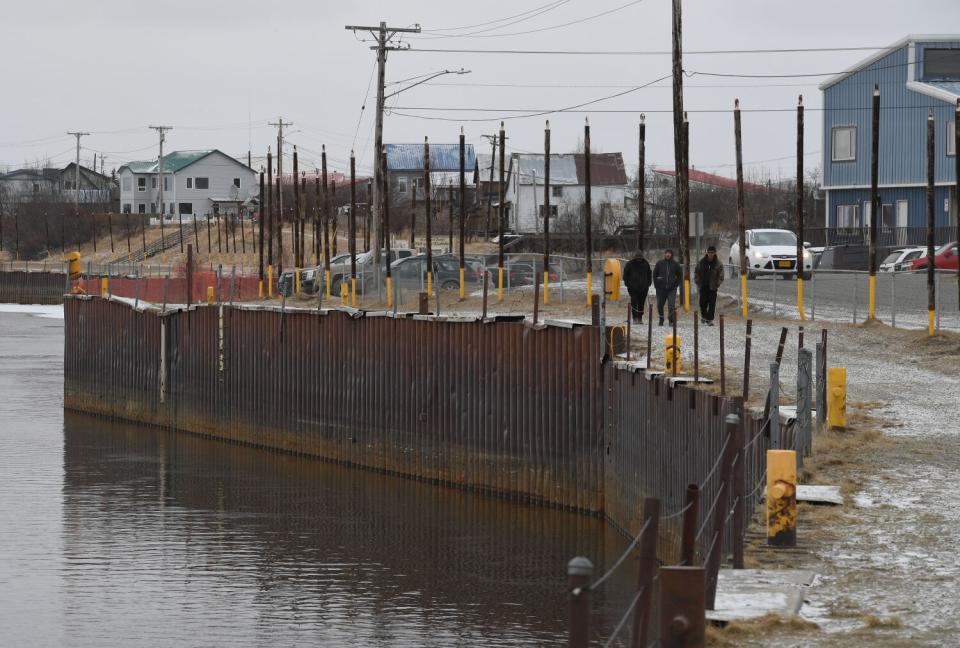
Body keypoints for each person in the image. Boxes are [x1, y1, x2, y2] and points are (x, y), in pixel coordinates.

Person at [694, 245, 724, 326]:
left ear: (715, 253)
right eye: (709, 252)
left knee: (712, 304)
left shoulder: (718, 264)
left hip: (712, 288)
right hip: (703, 286)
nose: (710, 254)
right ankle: (704, 317)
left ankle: (709, 320)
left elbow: (721, 276)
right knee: (703, 303)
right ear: (707, 253)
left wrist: (717, 284)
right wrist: (698, 282)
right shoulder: (701, 262)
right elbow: (696, 272)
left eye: (712, 252)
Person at [653, 248, 681, 326]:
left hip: (672, 288)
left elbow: (679, 275)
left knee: (671, 305)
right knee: (660, 304)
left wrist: (676, 284)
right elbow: (654, 274)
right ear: (664, 254)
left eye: (669, 253)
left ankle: (671, 320)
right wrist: (656, 285)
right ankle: (661, 318)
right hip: (661, 289)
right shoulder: (659, 263)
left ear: (671, 255)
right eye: (666, 253)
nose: (667, 254)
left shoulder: (675, 264)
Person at [622, 250, 652, 323]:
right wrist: (628, 284)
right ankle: (635, 318)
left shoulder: (646, 264)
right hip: (632, 288)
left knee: (641, 303)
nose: (639, 259)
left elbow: (649, 274)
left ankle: (640, 318)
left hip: (644, 288)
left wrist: (648, 283)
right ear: (635, 258)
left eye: (640, 258)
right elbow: (625, 275)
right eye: (637, 258)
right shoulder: (630, 264)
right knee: (634, 302)